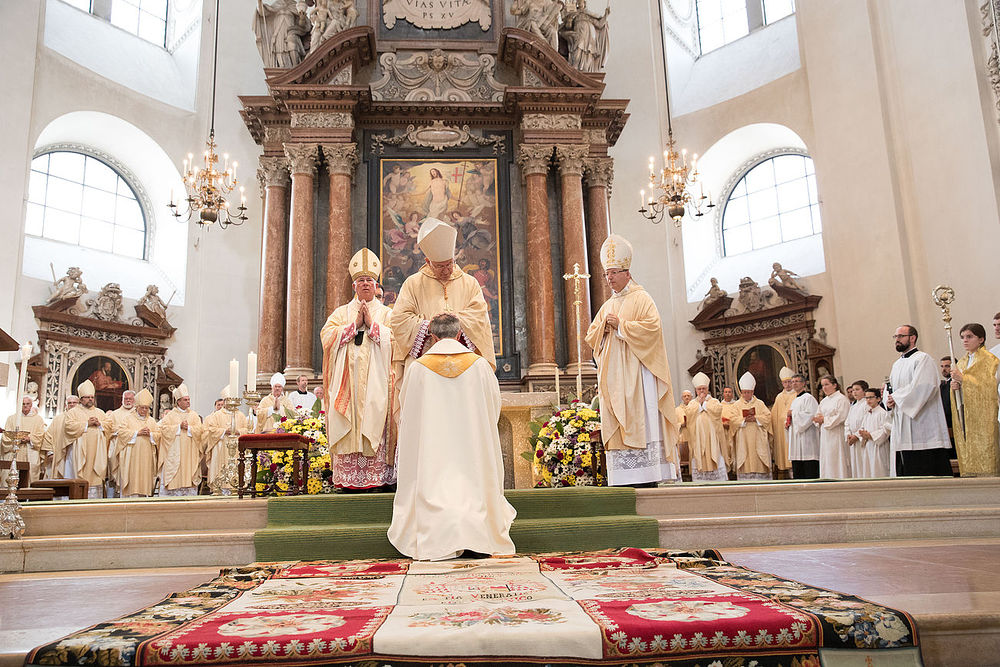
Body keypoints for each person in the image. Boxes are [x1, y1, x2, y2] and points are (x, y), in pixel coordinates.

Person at [388, 313, 515, 560]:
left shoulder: (418, 368)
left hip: (433, 448)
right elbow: (493, 405)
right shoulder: (480, 366)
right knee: (474, 484)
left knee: (435, 483)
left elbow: (408, 412)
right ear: (459, 335)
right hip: (471, 445)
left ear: (432, 337)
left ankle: (438, 540)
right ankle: (478, 539)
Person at [584, 234, 681, 486]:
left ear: (627, 273)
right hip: (614, 378)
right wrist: (603, 328)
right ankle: (624, 477)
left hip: (639, 375)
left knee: (643, 417)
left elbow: (653, 329)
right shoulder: (607, 306)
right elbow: (591, 336)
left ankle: (648, 475)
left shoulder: (642, 298)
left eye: (614, 273)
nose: (609, 278)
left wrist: (622, 326)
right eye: (607, 274)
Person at [321, 248, 396, 491]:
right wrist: (353, 326)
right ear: (354, 285)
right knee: (348, 422)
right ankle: (348, 481)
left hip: (377, 385)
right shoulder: (341, 313)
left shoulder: (387, 314)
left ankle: (378, 479)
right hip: (348, 386)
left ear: (376, 286)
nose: (365, 283)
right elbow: (326, 337)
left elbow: (397, 342)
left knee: (375, 419)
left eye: (369, 280)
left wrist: (373, 326)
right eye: (361, 280)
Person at [391, 218, 495, 379]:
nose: (446, 271)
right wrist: (429, 326)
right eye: (440, 266)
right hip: (425, 362)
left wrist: (452, 322)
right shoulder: (413, 283)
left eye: (449, 264)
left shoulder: (469, 283)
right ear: (428, 262)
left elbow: (479, 317)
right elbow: (399, 320)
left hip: (463, 362)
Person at [886, 325, 953, 476]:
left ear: (912, 338)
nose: (897, 339)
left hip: (923, 427)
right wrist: (889, 401)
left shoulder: (923, 359)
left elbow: (925, 386)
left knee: (926, 470)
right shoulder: (896, 364)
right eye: (895, 336)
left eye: (901, 336)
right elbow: (890, 389)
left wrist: (896, 397)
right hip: (902, 426)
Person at [949, 323, 1000, 476]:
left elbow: (990, 387)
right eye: (963, 337)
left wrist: (964, 379)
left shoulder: (990, 360)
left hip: (985, 415)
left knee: (986, 449)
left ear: (981, 339)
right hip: (967, 413)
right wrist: (956, 387)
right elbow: (961, 387)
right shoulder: (961, 362)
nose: (965, 340)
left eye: (969, 337)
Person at [62, 380, 109, 498]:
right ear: (81, 399)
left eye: (92, 397)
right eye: (87, 397)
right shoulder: (73, 412)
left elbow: (109, 426)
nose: (90, 399)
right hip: (79, 452)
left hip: (96, 453)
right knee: (79, 476)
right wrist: (86, 424)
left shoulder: (100, 412)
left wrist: (100, 423)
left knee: (95, 478)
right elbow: (69, 427)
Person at [113, 389, 160, 497]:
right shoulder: (128, 419)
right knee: (132, 481)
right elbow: (121, 432)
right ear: (137, 407)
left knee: (144, 482)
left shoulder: (151, 421)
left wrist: (151, 434)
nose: (144, 410)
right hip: (131, 457)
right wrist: (137, 433)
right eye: (142, 407)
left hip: (146, 457)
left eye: (146, 408)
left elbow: (158, 435)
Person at [157, 384, 203, 496]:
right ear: (178, 402)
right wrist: (178, 427)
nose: (188, 402)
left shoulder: (194, 415)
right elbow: (163, 429)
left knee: (189, 473)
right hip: (174, 453)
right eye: (185, 400)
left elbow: (200, 430)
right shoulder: (170, 415)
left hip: (189, 453)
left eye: (188, 399)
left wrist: (189, 428)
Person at [202, 386, 249, 494]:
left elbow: (247, 430)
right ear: (224, 401)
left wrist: (238, 431)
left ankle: (237, 487)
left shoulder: (240, 415)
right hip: (221, 448)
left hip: (237, 448)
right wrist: (224, 431)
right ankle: (219, 488)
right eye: (228, 400)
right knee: (220, 470)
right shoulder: (217, 415)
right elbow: (211, 430)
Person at [684, 373, 728, 481]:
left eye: (703, 388)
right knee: (699, 456)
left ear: (707, 389)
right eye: (699, 389)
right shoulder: (692, 403)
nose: (702, 391)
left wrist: (704, 404)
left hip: (712, 438)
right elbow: (689, 413)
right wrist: (699, 404)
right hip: (698, 439)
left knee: (715, 454)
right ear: (696, 390)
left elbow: (717, 411)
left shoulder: (714, 401)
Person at [731, 372, 772, 481]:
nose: (746, 395)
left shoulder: (759, 403)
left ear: (752, 392)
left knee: (758, 459)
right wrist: (744, 420)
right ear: (741, 392)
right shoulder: (736, 405)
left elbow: (768, 417)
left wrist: (756, 418)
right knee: (745, 457)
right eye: (744, 392)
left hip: (758, 436)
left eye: (748, 392)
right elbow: (732, 420)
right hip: (743, 438)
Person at [1, 396, 47, 485]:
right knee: (10, 473)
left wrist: (30, 438)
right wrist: (17, 438)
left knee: (30, 475)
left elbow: (40, 435)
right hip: (14, 450)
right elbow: (6, 436)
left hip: (30, 450)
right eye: (23, 404)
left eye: (27, 404)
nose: (25, 406)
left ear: (31, 405)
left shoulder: (38, 419)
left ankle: (28, 492)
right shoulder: (12, 418)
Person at [815, 375, 851, 479]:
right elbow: (818, 414)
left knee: (837, 458)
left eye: (826, 384)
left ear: (834, 385)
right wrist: (818, 420)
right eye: (822, 385)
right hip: (825, 434)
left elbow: (841, 416)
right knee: (827, 458)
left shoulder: (841, 399)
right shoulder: (824, 401)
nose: (824, 388)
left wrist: (824, 420)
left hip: (837, 433)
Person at [787, 373, 820, 479]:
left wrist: (793, 413)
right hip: (797, 440)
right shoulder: (795, 400)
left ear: (804, 383)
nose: (794, 384)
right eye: (792, 382)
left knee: (809, 470)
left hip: (807, 439)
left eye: (797, 381)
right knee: (798, 470)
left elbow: (811, 416)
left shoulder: (809, 398)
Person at [105, 389, 136, 497]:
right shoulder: (115, 414)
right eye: (126, 399)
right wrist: (121, 431)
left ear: (134, 400)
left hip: (133, 447)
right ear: (122, 400)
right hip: (117, 445)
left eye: (130, 399)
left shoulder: (138, 414)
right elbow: (109, 428)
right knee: (116, 470)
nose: (128, 401)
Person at [858, 388, 891, 477]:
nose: (868, 400)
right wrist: (862, 434)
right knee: (869, 470)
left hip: (879, 446)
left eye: (871, 397)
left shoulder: (882, 413)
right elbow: (862, 427)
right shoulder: (867, 413)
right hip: (868, 445)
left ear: (878, 399)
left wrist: (870, 435)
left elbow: (885, 430)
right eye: (866, 398)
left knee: (879, 470)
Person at [770, 367, 796, 477]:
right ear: (782, 383)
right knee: (785, 453)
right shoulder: (779, 397)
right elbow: (773, 415)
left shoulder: (797, 395)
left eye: (789, 382)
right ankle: (789, 475)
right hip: (782, 430)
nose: (788, 384)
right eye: (785, 382)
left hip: (794, 429)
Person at [45, 394, 78, 479]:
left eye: (74, 403)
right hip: (61, 453)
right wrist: (50, 452)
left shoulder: (82, 418)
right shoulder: (58, 419)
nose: (72, 405)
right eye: (69, 403)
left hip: (76, 454)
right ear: (65, 405)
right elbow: (48, 435)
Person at [845, 380, 870, 478]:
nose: (854, 392)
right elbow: (847, 423)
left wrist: (856, 436)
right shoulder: (853, 407)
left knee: (863, 464)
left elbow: (866, 422)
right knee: (855, 466)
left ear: (864, 391)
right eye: (853, 390)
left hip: (861, 439)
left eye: (857, 389)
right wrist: (848, 435)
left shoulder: (867, 405)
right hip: (853, 440)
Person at [939, 356, 956, 457]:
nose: (943, 369)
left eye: (947, 366)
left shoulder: (955, 383)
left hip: (954, 424)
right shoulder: (942, 385)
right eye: (942, 366)